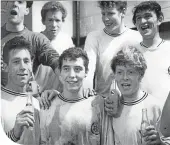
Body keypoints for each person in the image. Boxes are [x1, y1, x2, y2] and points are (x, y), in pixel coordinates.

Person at [40, 47, 113, 145]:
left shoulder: (99, 104)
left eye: (77, 69)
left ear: (86, 72)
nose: (72, 75)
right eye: (66, 69)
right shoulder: (47, 106)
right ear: (60, 72)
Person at [108, 45, 169, 145]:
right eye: (119, 72)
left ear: (140, 75)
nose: (125, 77)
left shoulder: (155, 106)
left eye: (130, 72)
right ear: (114, 75)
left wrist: (160, 143)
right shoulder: (111, 108)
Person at [83, 1, 142, 97]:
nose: (106, 18)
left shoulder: (137, 37)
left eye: (110, 13)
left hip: (130, 101)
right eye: (103, 14)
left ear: (123, 12)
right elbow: (88, 67)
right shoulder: (94, 37)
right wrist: (87, 86)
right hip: (103, 101)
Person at [1, 1, 59, 91]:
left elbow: (57, 62)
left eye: (20, 2)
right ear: (5, 5)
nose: (15, 4)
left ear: (27, 10)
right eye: (11, 0)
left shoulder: (37, 39)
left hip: (26, 99)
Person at [1, 36, 40, 144]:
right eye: (16, 61)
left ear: (31, 65)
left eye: (26, 61)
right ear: (5, 66)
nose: (23, 67)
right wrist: (14, 134)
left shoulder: (37, 103)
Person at [132, 1, 170, 107]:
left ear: (160, 19)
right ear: (135, 24)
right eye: (138, 18)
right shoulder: (130, 53)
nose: (143, 21)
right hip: (141, 117)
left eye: (148, 16)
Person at [36, 1, 74, 93]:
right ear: (43, 21)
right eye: (50, 20)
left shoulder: (67, 40)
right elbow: (29, 75)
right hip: (38, 96)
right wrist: (34, 95)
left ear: (63, 21)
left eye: (57, 20)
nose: (54, 25)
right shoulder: (36, 40)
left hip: (58, 95)